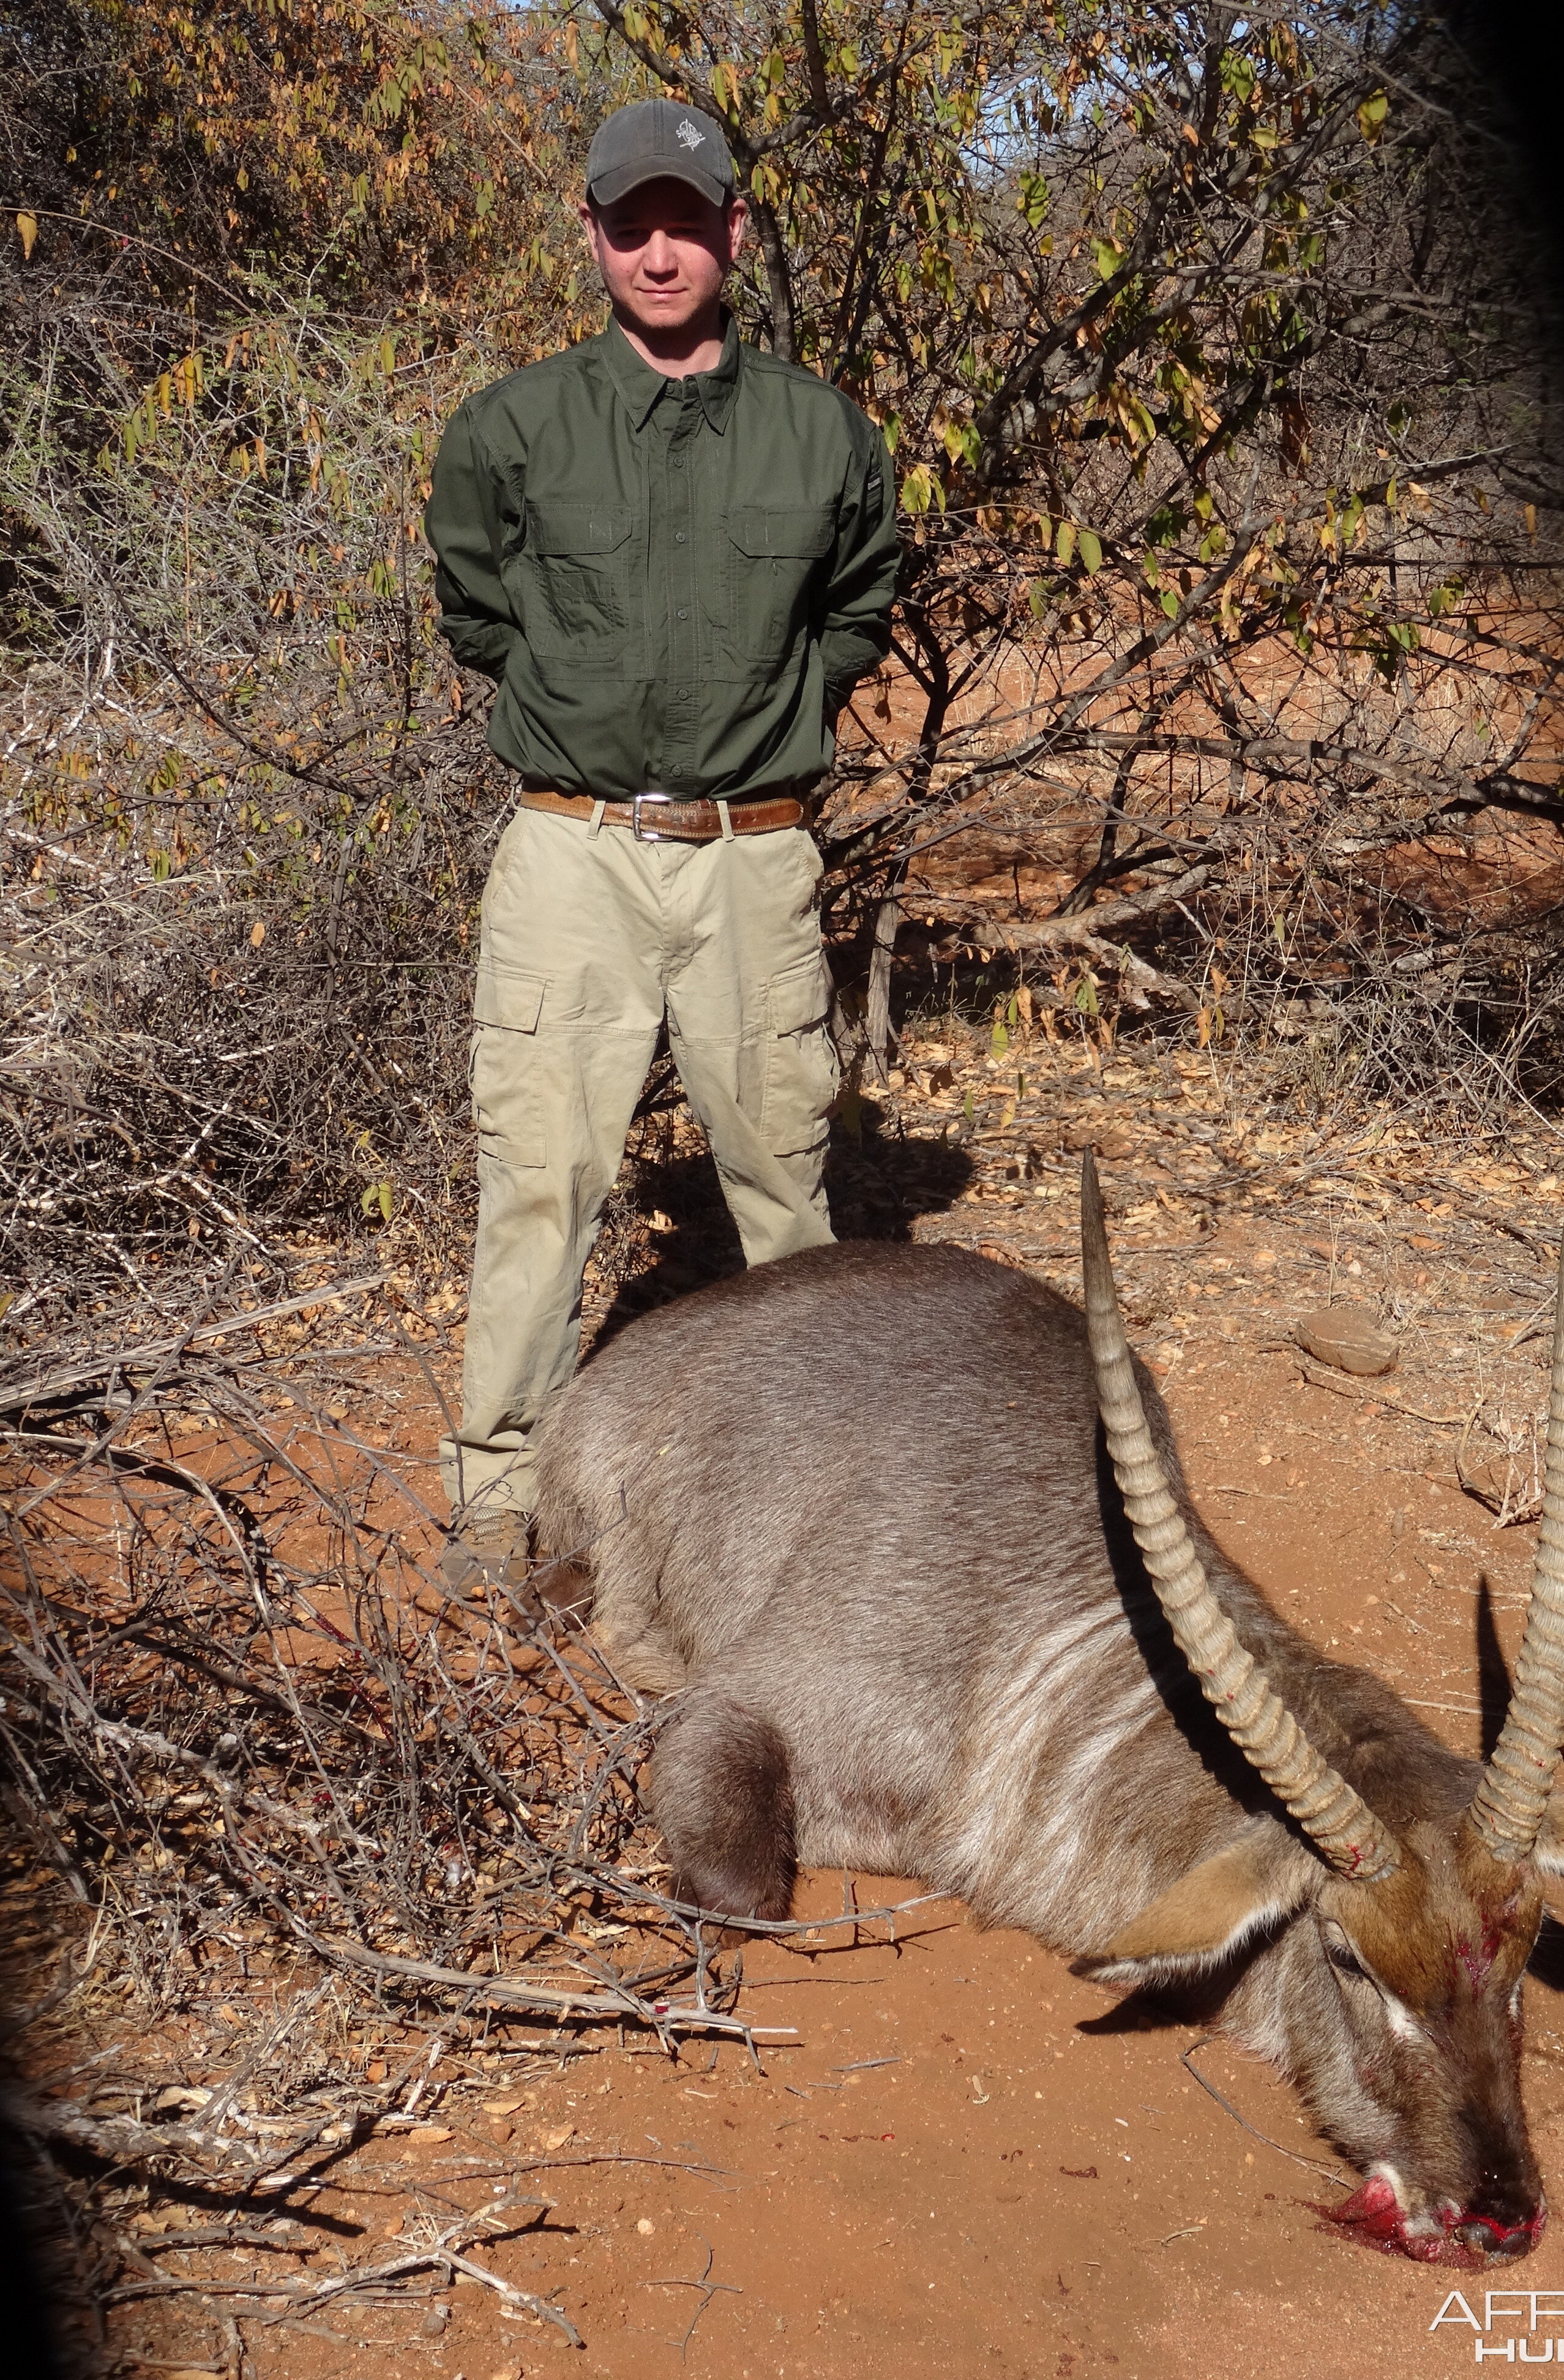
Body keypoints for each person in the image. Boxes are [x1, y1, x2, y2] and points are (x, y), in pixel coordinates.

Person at [424, 97, 900, 1587]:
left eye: (686, 220)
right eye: (631, 223)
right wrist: (597, 717)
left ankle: (818, 1511)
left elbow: (857, 610)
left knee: (781, 1182)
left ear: (734, 234)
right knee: (541, 1183)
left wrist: (763, 730)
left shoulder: (822, 430)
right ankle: (503, 1499)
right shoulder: (512, 428)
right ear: (592, 236)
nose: (659, 249)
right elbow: (478, 615)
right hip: (570, 854)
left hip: (755, 856)